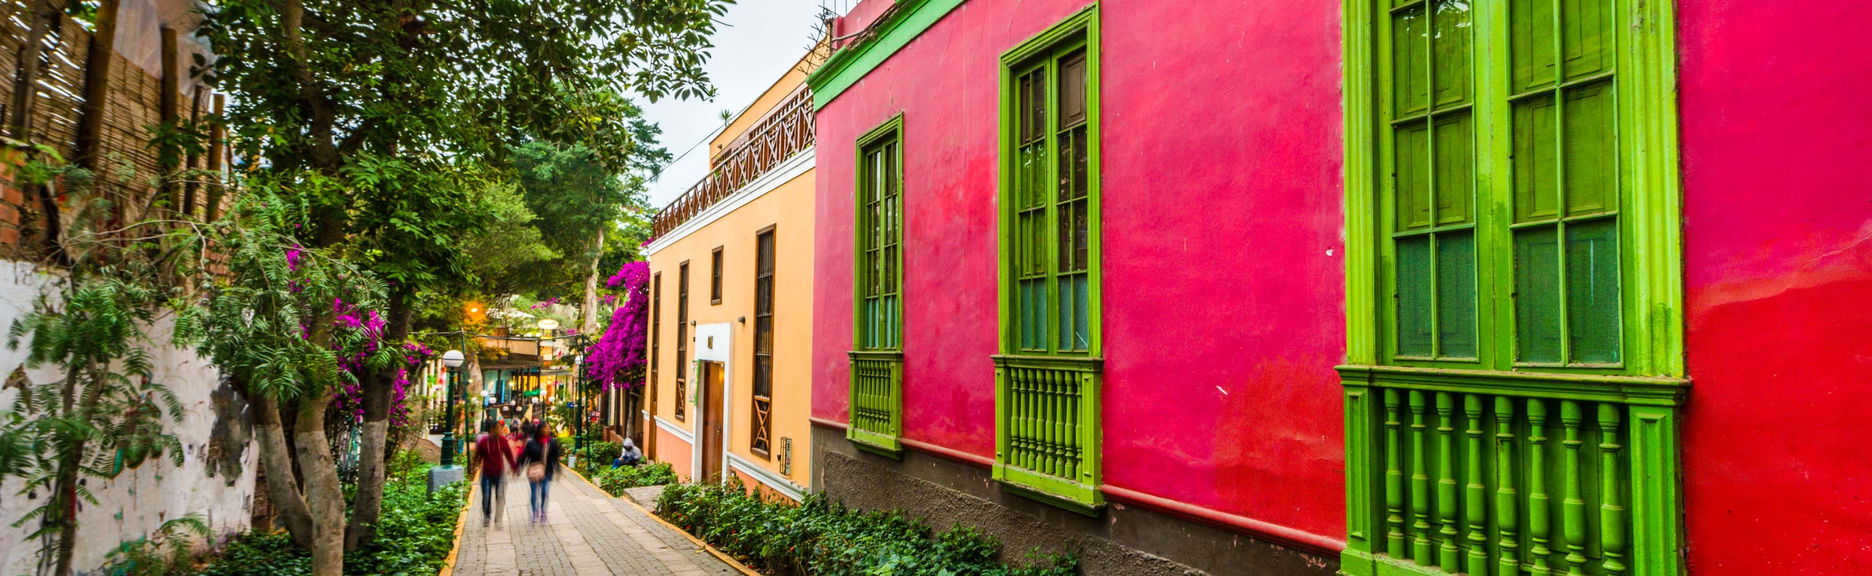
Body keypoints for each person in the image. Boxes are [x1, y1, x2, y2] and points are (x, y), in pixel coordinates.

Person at [470, 419, 516, 529]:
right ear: (491, 429)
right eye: (498, 428)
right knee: (486, 497)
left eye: (500, 428)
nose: (500, 430)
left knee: (500, 497)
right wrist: (473, 467)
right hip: (486, 473)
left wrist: (514, 467)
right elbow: (478, 456)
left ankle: (498, 520)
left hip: (500, 473)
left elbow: (508, 454)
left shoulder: (502, 440)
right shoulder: (483, 442)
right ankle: (487, 516)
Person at [516, 421, 563, 525]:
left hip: (547, 472)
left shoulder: (552, 443)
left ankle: (543, 512)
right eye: (546, 428)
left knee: (544, 493)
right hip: (534, 472)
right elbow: (524, 456)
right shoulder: (531, 442)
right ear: (540, 430)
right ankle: (534, 512)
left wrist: (558, 470)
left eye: (548, 428)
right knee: (533, 494)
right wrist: (519, 467)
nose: (548, 430)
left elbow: (555, 458)